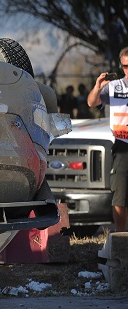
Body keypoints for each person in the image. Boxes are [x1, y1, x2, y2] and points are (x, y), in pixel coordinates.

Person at [88, 47, 128, 231]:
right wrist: (97, 87)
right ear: (121, 66)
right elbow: (92, 102)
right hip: (122, 145)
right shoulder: (114, 86)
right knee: (120, 194)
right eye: (126, 66)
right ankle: (121, 237)